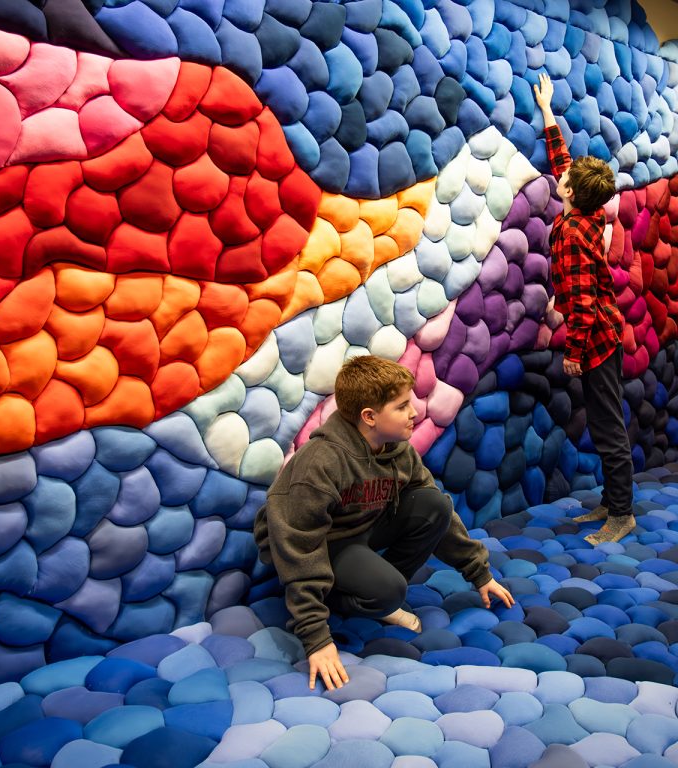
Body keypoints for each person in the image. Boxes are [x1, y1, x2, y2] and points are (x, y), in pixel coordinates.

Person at [254, 355, 514, 691]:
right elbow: (299, 546)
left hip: (360, 526)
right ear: (369, 417)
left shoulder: (396, 450)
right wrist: (317, 639)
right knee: (390, 590)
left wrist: (479, 572)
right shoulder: (321, 463)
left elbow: (438, 511)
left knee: (433, 504)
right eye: (402, 406)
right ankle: (350, 598)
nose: (415, 413)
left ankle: (376, 591)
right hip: (317, 544)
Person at [534, 73, 635, 546]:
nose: (562, 177)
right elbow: (565, 162)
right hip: (603, 334)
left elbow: (583, 304)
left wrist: (573, 352)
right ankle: (612, 502)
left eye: (566, 182)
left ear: (571, 194)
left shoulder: (573, 234)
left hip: (595, 340)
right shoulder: (586, 209)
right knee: (603, 422)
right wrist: (548, 111)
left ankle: (623, 514)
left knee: (608, 428)